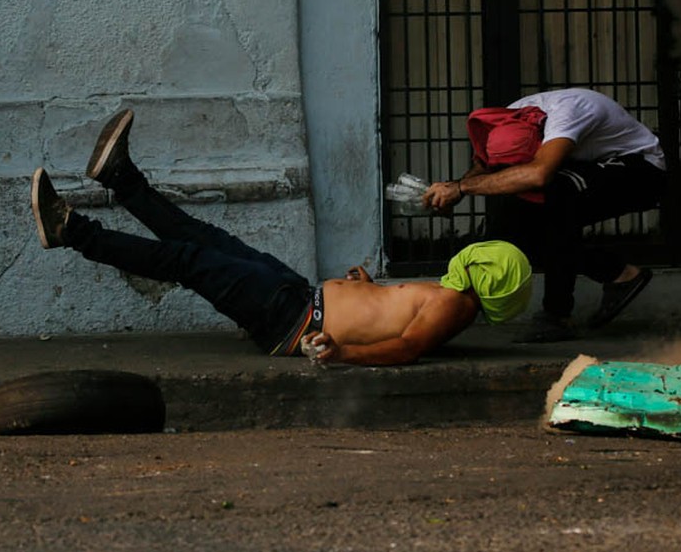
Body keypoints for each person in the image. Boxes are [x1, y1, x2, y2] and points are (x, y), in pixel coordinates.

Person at [30, 109, 533, 366]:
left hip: (289, 319)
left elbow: (404, 347)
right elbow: (386, 319)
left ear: (489, 274)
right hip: (297, 296)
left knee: (187, 258)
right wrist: (366, 289)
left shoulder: (455, 307)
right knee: (200, 236)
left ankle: (73, 231)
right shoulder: (450, 299)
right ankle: (121, 178)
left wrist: (341, 355)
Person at [423, 87, 667, 342]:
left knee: (556, 194)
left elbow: (538, 174)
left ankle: (557, 315)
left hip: (642, 170)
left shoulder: (567, 115)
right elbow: (486, 166)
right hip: (586, 165)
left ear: (540, 143)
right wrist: (452, 189)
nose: (515, 170)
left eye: (521, 164)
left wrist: (463, 188)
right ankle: (618, 274)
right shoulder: (510, 116)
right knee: (514, 218)